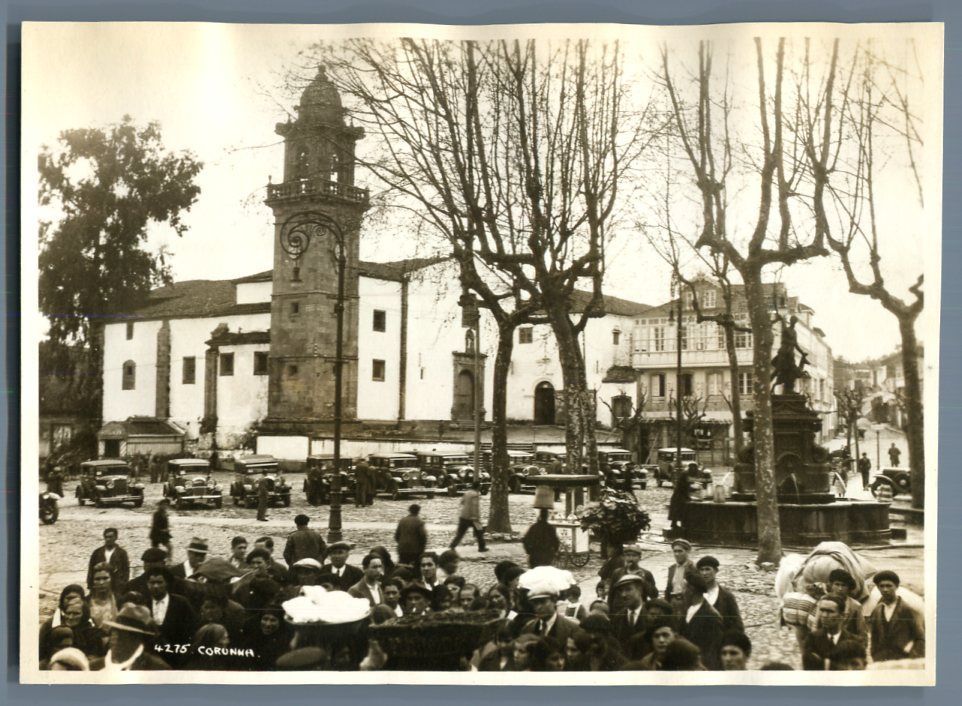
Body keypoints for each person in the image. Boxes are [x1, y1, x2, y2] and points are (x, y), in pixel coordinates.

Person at [91, 604, 171, 671]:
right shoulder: (94, 667)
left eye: (124, 634)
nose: (116, 637)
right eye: (114, 631)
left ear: (137, 639)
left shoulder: (157, 669)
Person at [145, 567, 198, 665]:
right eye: (152, 583)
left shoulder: (181, 603)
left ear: (166, 583)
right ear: (147, 584)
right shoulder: (143, 604)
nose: (156, 586)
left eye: (160, 582)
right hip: (150, 658)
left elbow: (192, 629)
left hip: (177, 657)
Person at [869, 570, 925, 663]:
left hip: (903, 659)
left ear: (896, 587)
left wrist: (911, 658)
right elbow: (874, 638)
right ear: (878, 588)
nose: (885, 589)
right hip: (881, 660)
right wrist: (875, 655)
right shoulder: (877, 610)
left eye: (889, 586)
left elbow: (920, 638)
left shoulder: (908, 609)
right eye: (881, 586)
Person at [680, 571, 724, 670]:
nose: (682, 592)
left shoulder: (712, 617)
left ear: (692, 590)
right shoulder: (687, 609)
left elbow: (713, 651)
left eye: (685, 588)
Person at [802, 595, 858, 670]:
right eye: (822, 610)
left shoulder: (853, 642)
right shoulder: (812, 639)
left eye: (830, 611)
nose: (824, 615)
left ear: (842, 616)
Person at [696, 556, 744, 634]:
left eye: (708, 569)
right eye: (701, 570)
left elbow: (737, 624)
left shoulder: (726, 596)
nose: (704, 573)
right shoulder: (693, 594)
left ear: (716, 570)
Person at [610, 574, 648, 653]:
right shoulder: (617, 618)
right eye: (621, 590)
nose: (623, 595)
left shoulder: (650, 615)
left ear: (640, 590)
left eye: (628, 589)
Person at [87, 527, 130, 595]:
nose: (108, 539)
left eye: (110, 537)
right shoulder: (97, 552)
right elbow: (91, 570)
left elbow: (126, 571)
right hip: (100, 585)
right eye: (106, 537)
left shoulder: (122, 553)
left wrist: (122, 584)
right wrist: (90, 585)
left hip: (116, 586)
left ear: (115, 537)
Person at [450, 481, 487, 552]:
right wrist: (476, 518)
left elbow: (462, 502)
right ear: (478, 487)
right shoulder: (475, 495)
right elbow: (474, 507)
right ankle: (481, 547)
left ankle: (452, 546)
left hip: (463, 516)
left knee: (460, 534)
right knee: (479, 532)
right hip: (473, 518)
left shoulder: (467, 493)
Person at [665, 539, 695, 614]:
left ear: (687, 551)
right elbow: (668, 588)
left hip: (687, 604)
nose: (677, 554)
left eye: (680, 551)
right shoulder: (672, 568)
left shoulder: (693, 568)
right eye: (675, 551)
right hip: (673, 602)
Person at [87, 562, 120, 629]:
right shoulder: (86, 602)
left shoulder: (120, 600)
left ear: (112, 579)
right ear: (92, 581)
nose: (101, 582)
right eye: (97, 579)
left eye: (105, 578)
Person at [668, 465, 692, 531]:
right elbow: (684, 487)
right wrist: (688, 495)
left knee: (677, 511)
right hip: (679, 496)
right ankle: (679, 524)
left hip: (679, 495)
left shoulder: (685, 474)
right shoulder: (685, 474)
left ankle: (675, 524)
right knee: (680, 510)